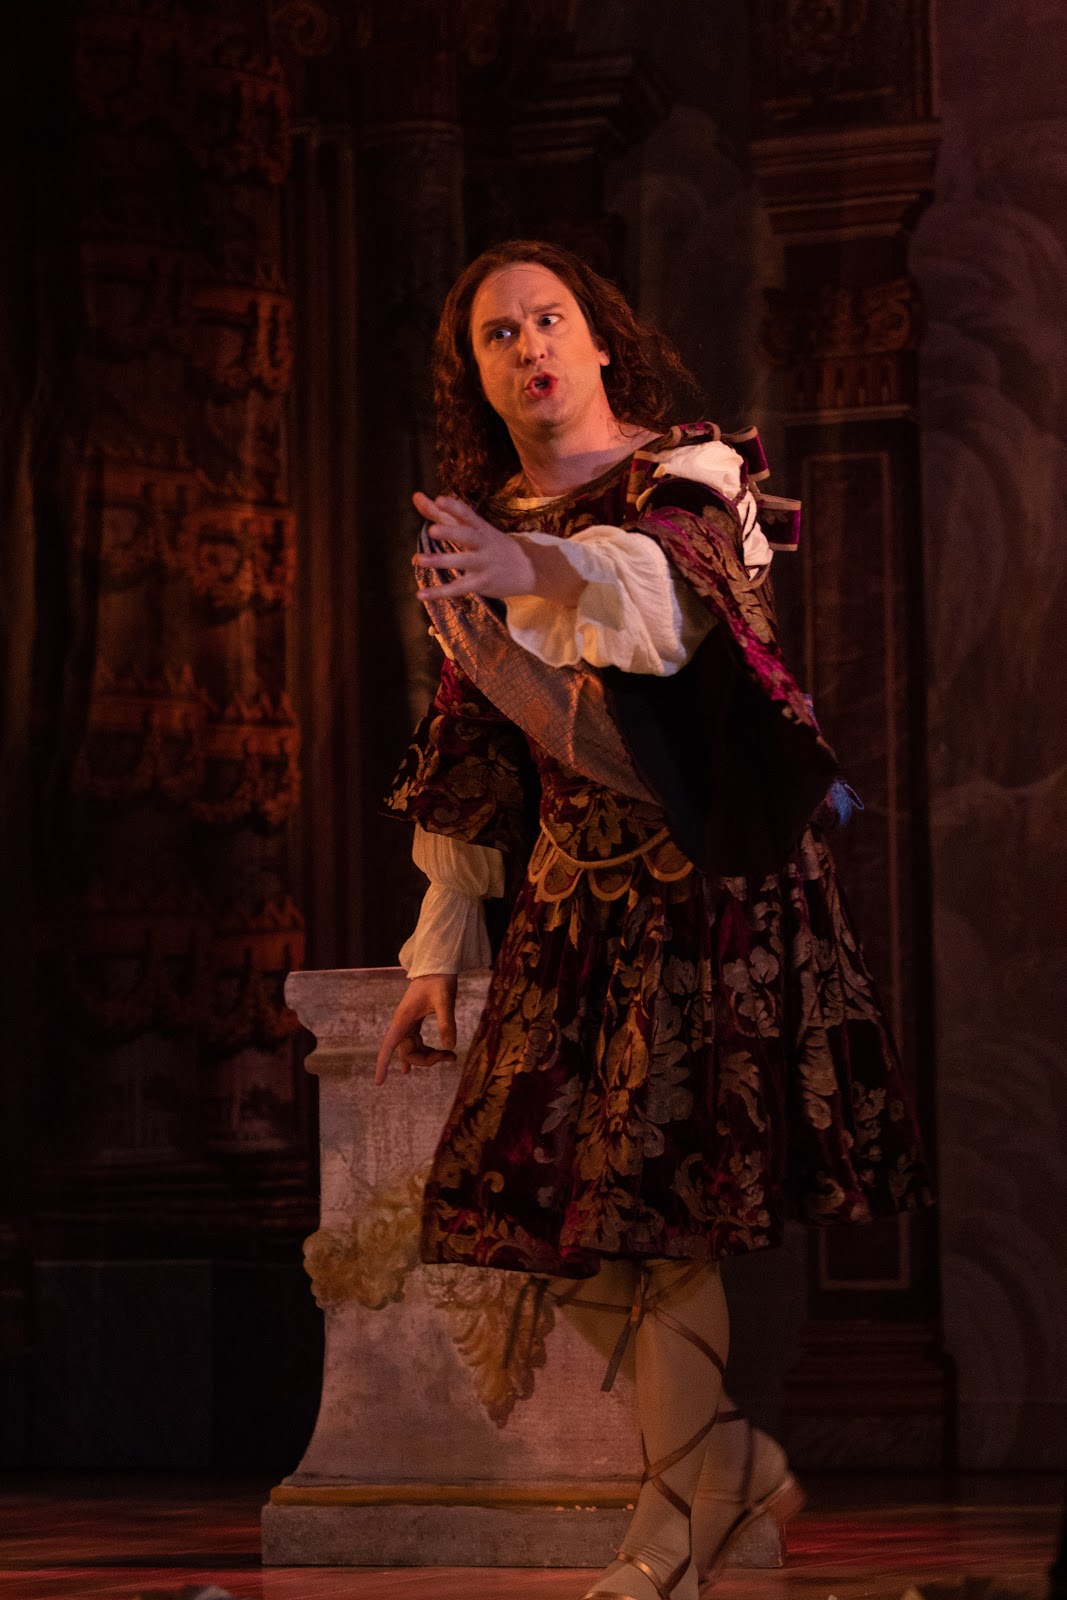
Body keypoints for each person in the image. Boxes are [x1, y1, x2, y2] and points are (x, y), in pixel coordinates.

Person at [375, 239, 932, 1600]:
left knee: (658, 1221)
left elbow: (661, 600)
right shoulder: (481, 531)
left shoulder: (691, 479)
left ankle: (668, 1530)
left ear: (601, 337)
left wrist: (528, 563)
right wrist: (438, 951)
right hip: (573, 896)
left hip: (707, 886)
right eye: (498, 336)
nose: (529, 346)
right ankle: (717, 1469)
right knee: (528, 1204)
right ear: (476, 377)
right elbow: (473, 747)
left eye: (548, 318)